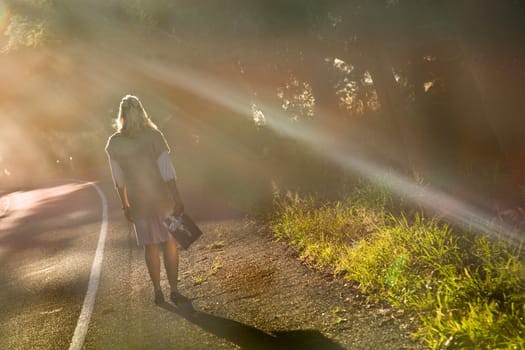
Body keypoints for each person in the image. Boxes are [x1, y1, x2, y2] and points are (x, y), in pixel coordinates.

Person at [105, 94, 186, 305]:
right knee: (169, 242)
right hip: (162, 199)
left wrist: (125, 206)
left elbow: (119, 180)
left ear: (122, 115)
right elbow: (168, 172)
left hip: (138, 201)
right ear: (142, 111)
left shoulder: (115, 143)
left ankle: (158, 291)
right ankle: (174, 290)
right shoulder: (154, 136)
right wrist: (177, 198)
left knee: (150, 245)